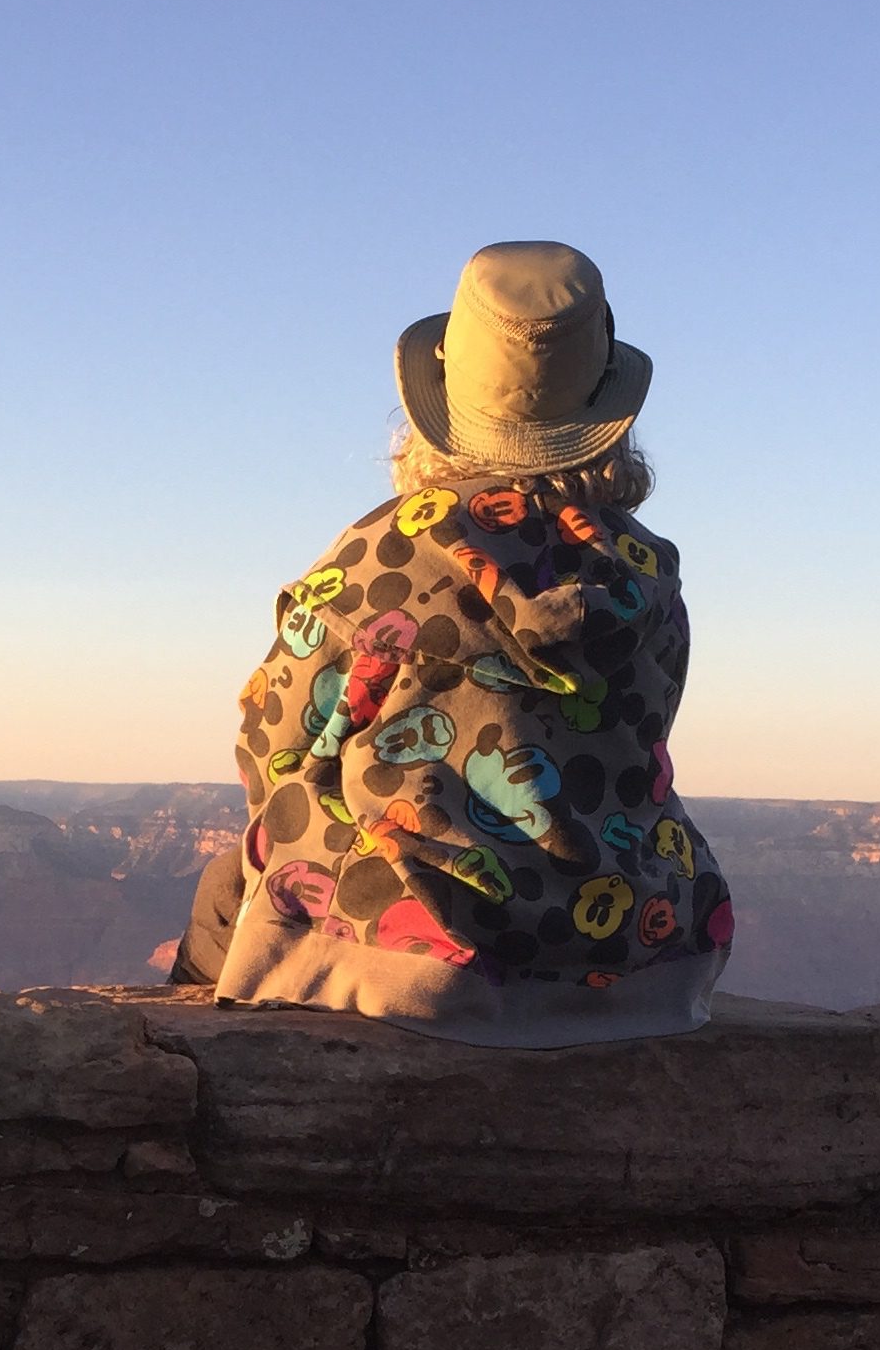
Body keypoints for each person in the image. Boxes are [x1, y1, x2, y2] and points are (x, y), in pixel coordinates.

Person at [169, 240, 733, 1039]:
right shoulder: (644, 572)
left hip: (423, 947)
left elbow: (275, 739)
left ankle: (195, 1063)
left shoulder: (383, 552)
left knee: (232, 884)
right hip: (633, 951)